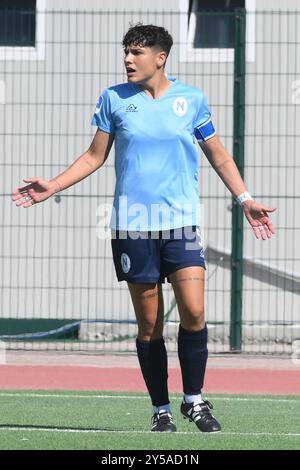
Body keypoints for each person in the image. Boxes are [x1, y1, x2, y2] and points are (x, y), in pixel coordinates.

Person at [12, 24, 276, 433]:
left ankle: (194, 401)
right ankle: (161, 409)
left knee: (194, 311)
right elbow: (93, 156)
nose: (128, 60)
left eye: (136, 52)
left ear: (161, 57)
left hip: (182, 224)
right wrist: (53, 184)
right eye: (126, 52)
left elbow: (220, 156)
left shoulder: (191, 99)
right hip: (133, 227)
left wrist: (245, 199)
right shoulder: (114, 99)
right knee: (150, 324)